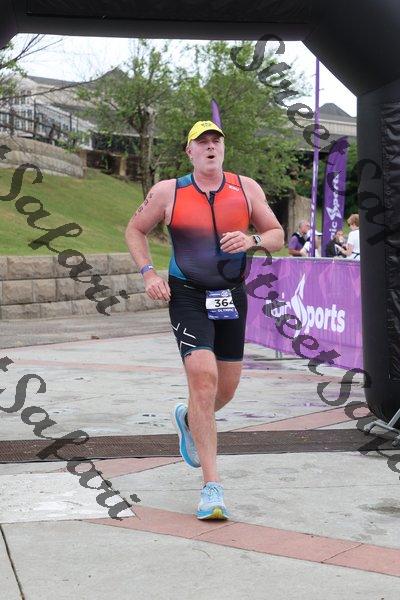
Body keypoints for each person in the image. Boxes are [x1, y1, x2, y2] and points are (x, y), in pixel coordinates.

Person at [125, 120, 284, 520]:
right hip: (188, 296)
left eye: (216, 141)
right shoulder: (168, 192)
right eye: (202, 142)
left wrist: (252, 240)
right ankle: (212, 488)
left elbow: (276, 233)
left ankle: (188, 417)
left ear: (222, 149)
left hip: (230, 296)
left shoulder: (246, 188)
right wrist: (149, 274)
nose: (211, 147)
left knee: (224, 390)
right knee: (203, 379)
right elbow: (134, 230)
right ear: (190, 152)